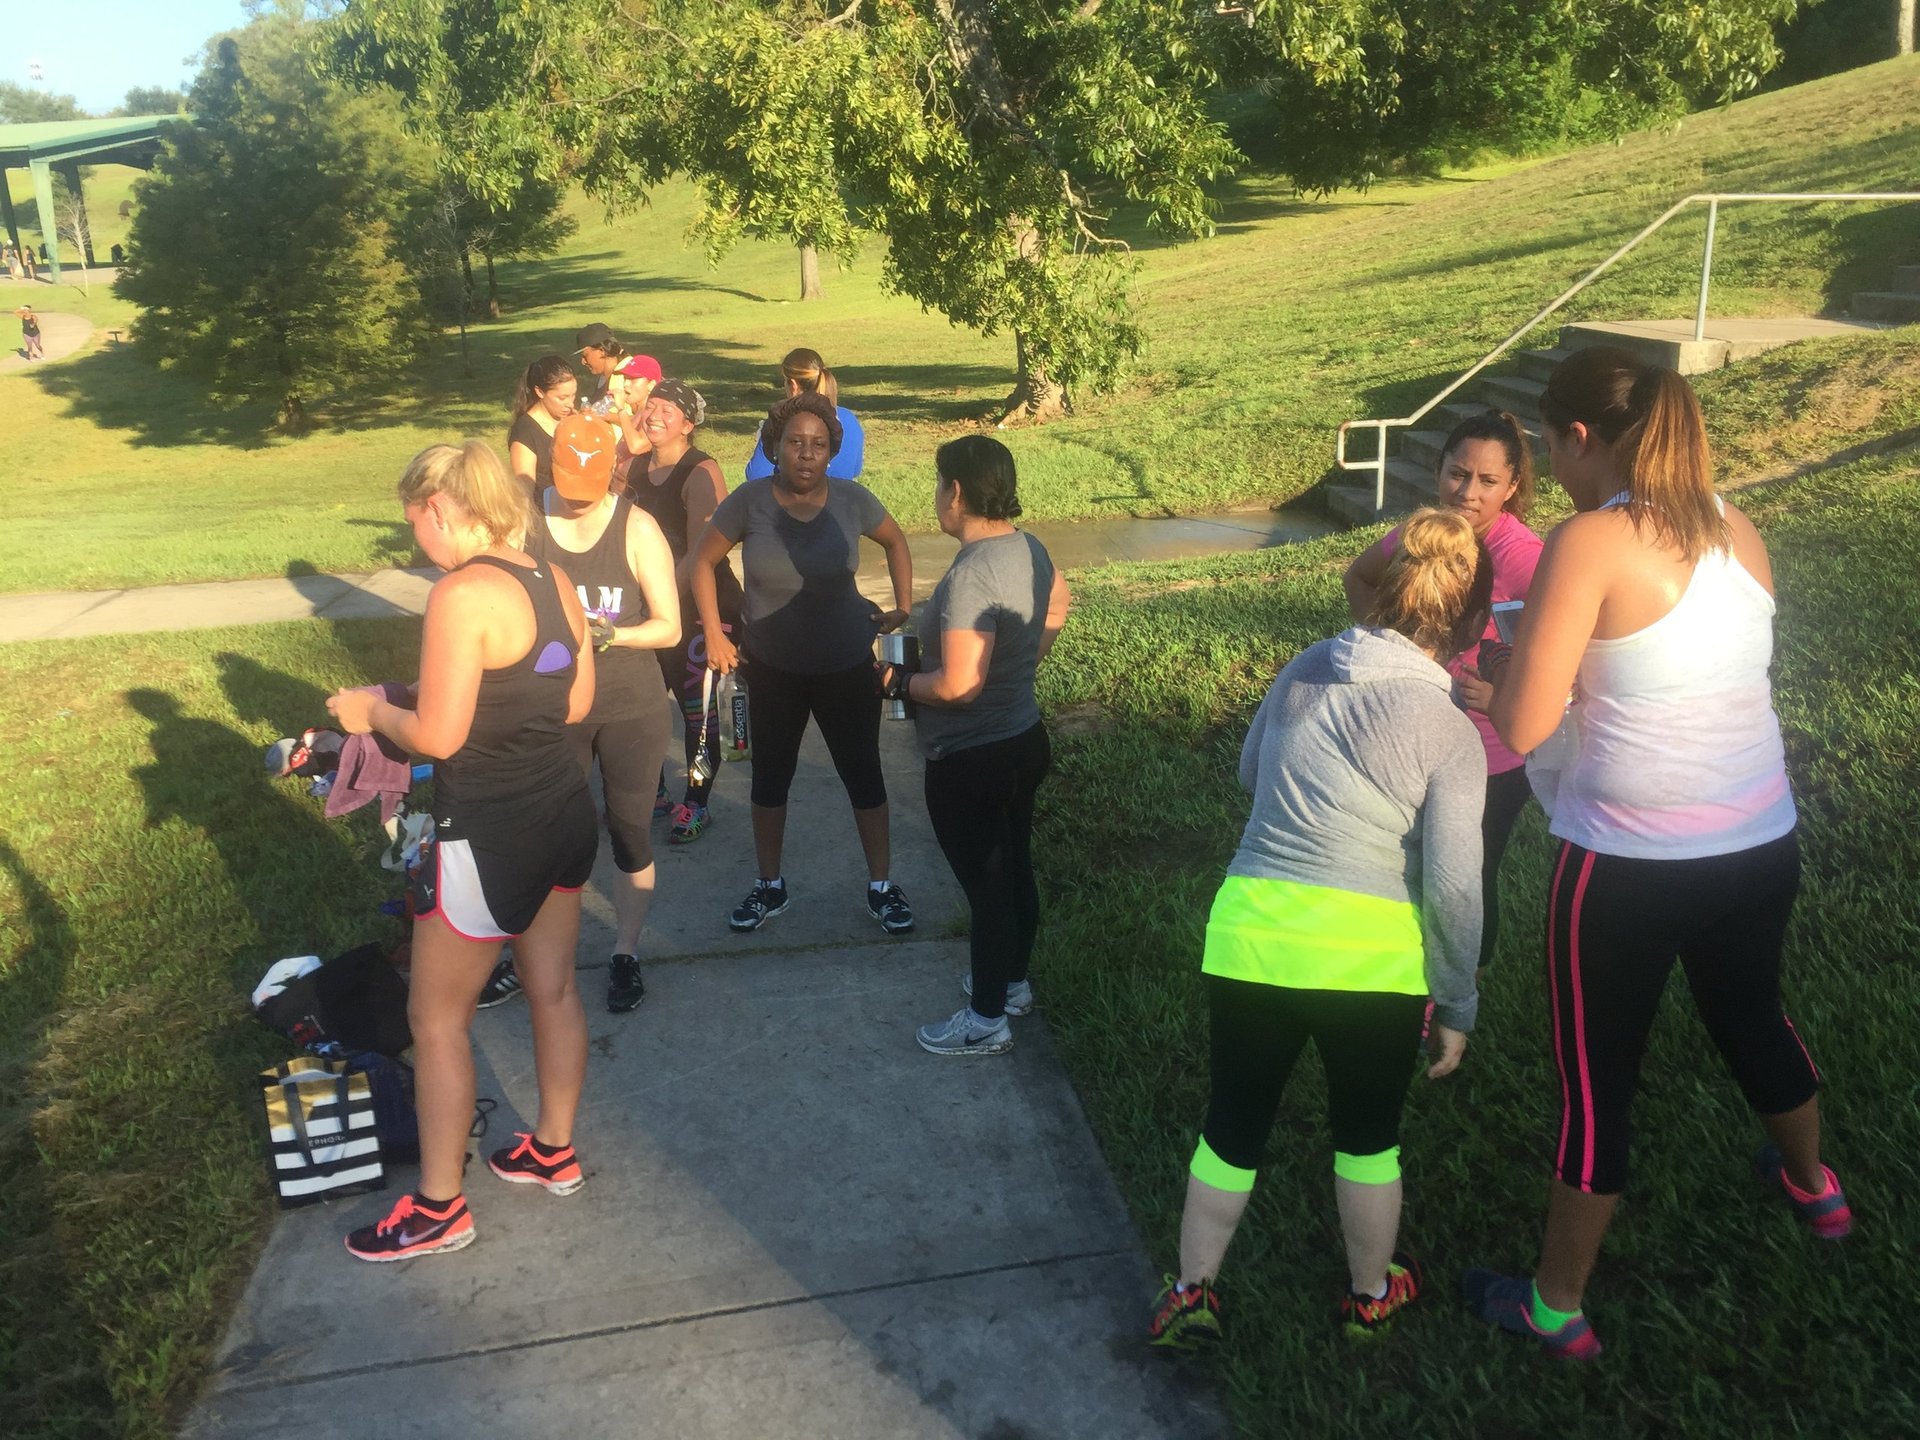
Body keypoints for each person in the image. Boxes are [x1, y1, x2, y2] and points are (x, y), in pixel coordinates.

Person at [1464, 347, 1849, 1358]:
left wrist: (1495, 680)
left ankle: (1555, 1305)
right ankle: (1815, 1187)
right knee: (1753, 1015)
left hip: (1627, 866)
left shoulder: (1589, 540)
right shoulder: (1737, 525)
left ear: (1578, 439)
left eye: (1552, 446)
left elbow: (1528, 725)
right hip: (1758, 841)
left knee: (1598, 1081)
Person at [1148, 507, 1489, 1349]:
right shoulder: (1451, 731)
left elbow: (1247, 771)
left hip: (1251, 934)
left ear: (1381, 589)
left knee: (1232, 1121)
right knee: (1368, 1138)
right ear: (1472, 623)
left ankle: (1192, 1292)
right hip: (1370, 962)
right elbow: (1452, 886)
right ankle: (1371, 1293)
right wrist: (1457, 1003)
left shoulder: (1305, 666)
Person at [325, 440, 599, 1262]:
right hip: (562, 814)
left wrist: (372, 715)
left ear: (440, 508)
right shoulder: (553, 579)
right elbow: (575, 698)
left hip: (489, 832)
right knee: (551, 989)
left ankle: (439, 1209)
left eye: (416, 525)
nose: (419, 543)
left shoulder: (461, 593)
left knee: (435, 1018)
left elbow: (439, 736)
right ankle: (553, 1148)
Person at [689, 391, 916, 934]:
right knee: (769, 781)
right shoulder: (748, 501)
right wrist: (714, 636)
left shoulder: (853, 499)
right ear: (776, 447)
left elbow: (896, 542)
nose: (807, 454)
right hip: (771, 670)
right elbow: (701, 562)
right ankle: (771, 886)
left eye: (818, 444)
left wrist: (902, 608)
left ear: (831, 450)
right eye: (796, 443)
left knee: (864, 777)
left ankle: (881, 886)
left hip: (845, 667)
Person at [883, 436, 1070, 1056]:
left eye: (939, 484)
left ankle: (987, 1018)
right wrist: (1022, 666)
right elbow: (1060, 601)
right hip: (1022, 739)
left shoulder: (970, 573)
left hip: (971, 760)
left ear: (955, 491)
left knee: (987, 890)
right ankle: (1010, 984)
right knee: (1014, 871)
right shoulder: (1030, 547)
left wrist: (896, 681)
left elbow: (959, 685)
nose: (936, 497)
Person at [1343, 410, 1542, 970]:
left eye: (1487, 481)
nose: (1468, 492)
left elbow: (1570, 661)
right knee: (1410, 861)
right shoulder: (1419, 537)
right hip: (1414, 737)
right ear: (1438, 470)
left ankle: (1463, 989)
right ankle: (1411, 974)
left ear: (1512, 487)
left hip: (1491, 753)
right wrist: (1391, 652)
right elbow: (1358, 577)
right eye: (1458, 473)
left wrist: (1503, 698)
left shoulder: (1528, 560)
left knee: (1468, 875)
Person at [627, 379, 742, 845]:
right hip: (649, 609)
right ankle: (651, 792)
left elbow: (701, 557)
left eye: (666, 410)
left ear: (688, 424)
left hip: (701, 606)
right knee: (639, 704)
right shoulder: (631, 467)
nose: (653, 414)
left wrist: (656, 602)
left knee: (698, 712)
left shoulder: (701, 471)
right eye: (649, 406)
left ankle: (696, 802)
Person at [743, 347, 865, 482]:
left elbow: (756, 475)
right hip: (841, 500)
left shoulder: (782, 421)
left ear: (793, 385)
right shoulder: (850, 419)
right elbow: (855, 469)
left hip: (792, 501)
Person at [507, 355, 576, 494]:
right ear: (539, 392)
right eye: (562, 398)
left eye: (573, 395)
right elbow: (525, 492)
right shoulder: (525, 434)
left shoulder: (571, 418)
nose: (570, 404)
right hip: (546, 511)